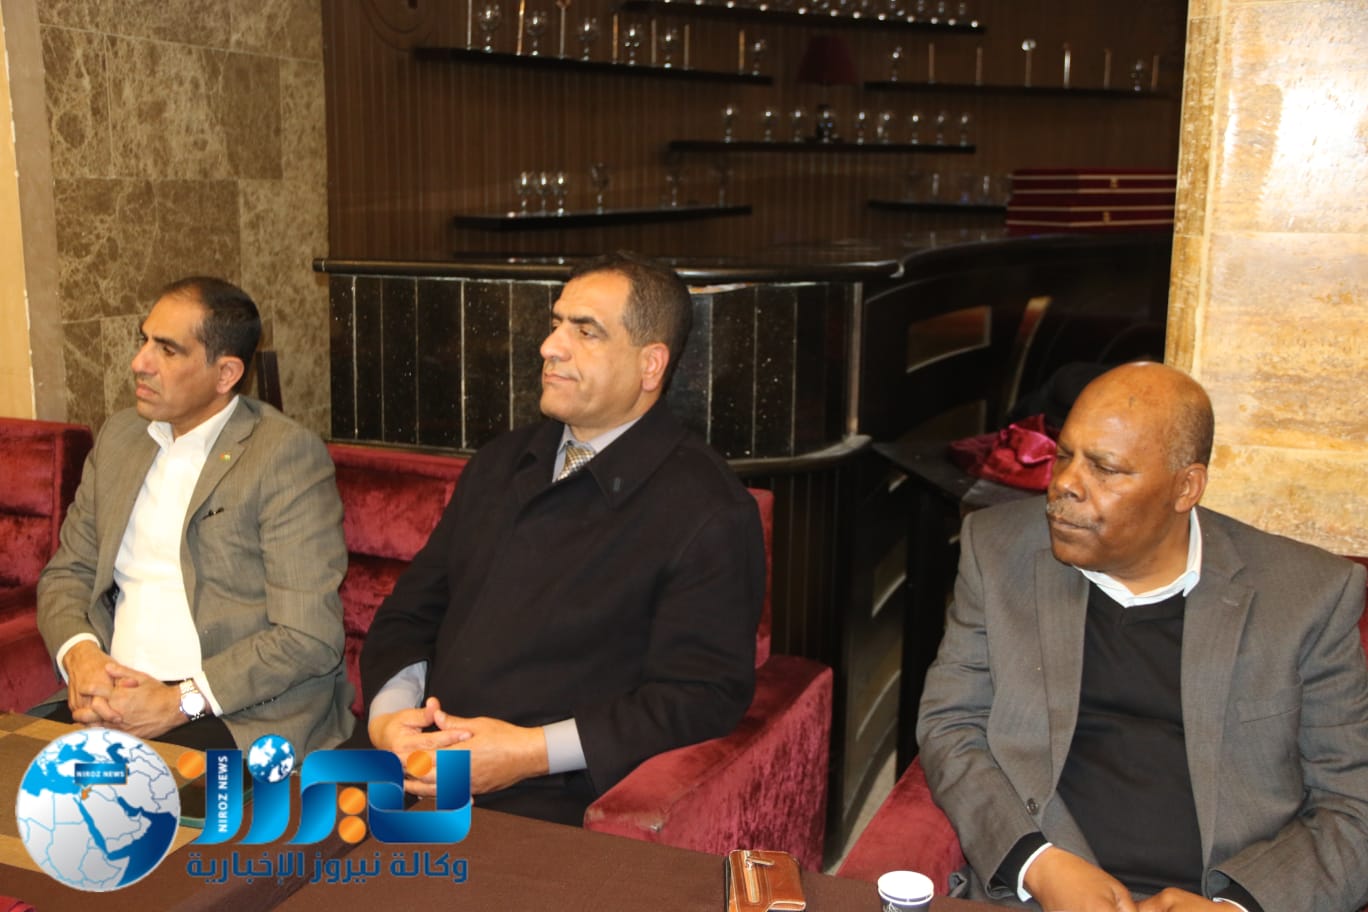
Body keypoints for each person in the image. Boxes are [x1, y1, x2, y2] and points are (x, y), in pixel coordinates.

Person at [917, 362, 1368, 912]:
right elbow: (951, 725)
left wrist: (1238, 906)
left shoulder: (1308, 596)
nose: (1064, 484)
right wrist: (1038, 864)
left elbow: (1353, 803)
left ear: (1185, 487)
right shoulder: (997, 551)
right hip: (1043, 891)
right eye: (1064, 455)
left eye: (1105, 468)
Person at [360, 251, 765, 825]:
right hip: (407, 760)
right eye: (555, 324)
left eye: (586, 331)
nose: (550, 346)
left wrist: (529, 753)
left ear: (650, 365)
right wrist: (391, 720)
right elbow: (411, 611)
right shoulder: (502, 460)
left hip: (545, 796)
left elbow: (700, 697)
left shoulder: (708, 510)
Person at [37, 277, 353, 754]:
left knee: (122, 798)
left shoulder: (282, 456)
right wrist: (81, 656)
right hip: (114, 698)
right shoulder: (122, 437)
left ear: (225, 374)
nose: (139, 362)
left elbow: (308, 636)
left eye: (167, 350)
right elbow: (67, 575)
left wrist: (177, 702)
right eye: (144, 340)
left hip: (233, 712)